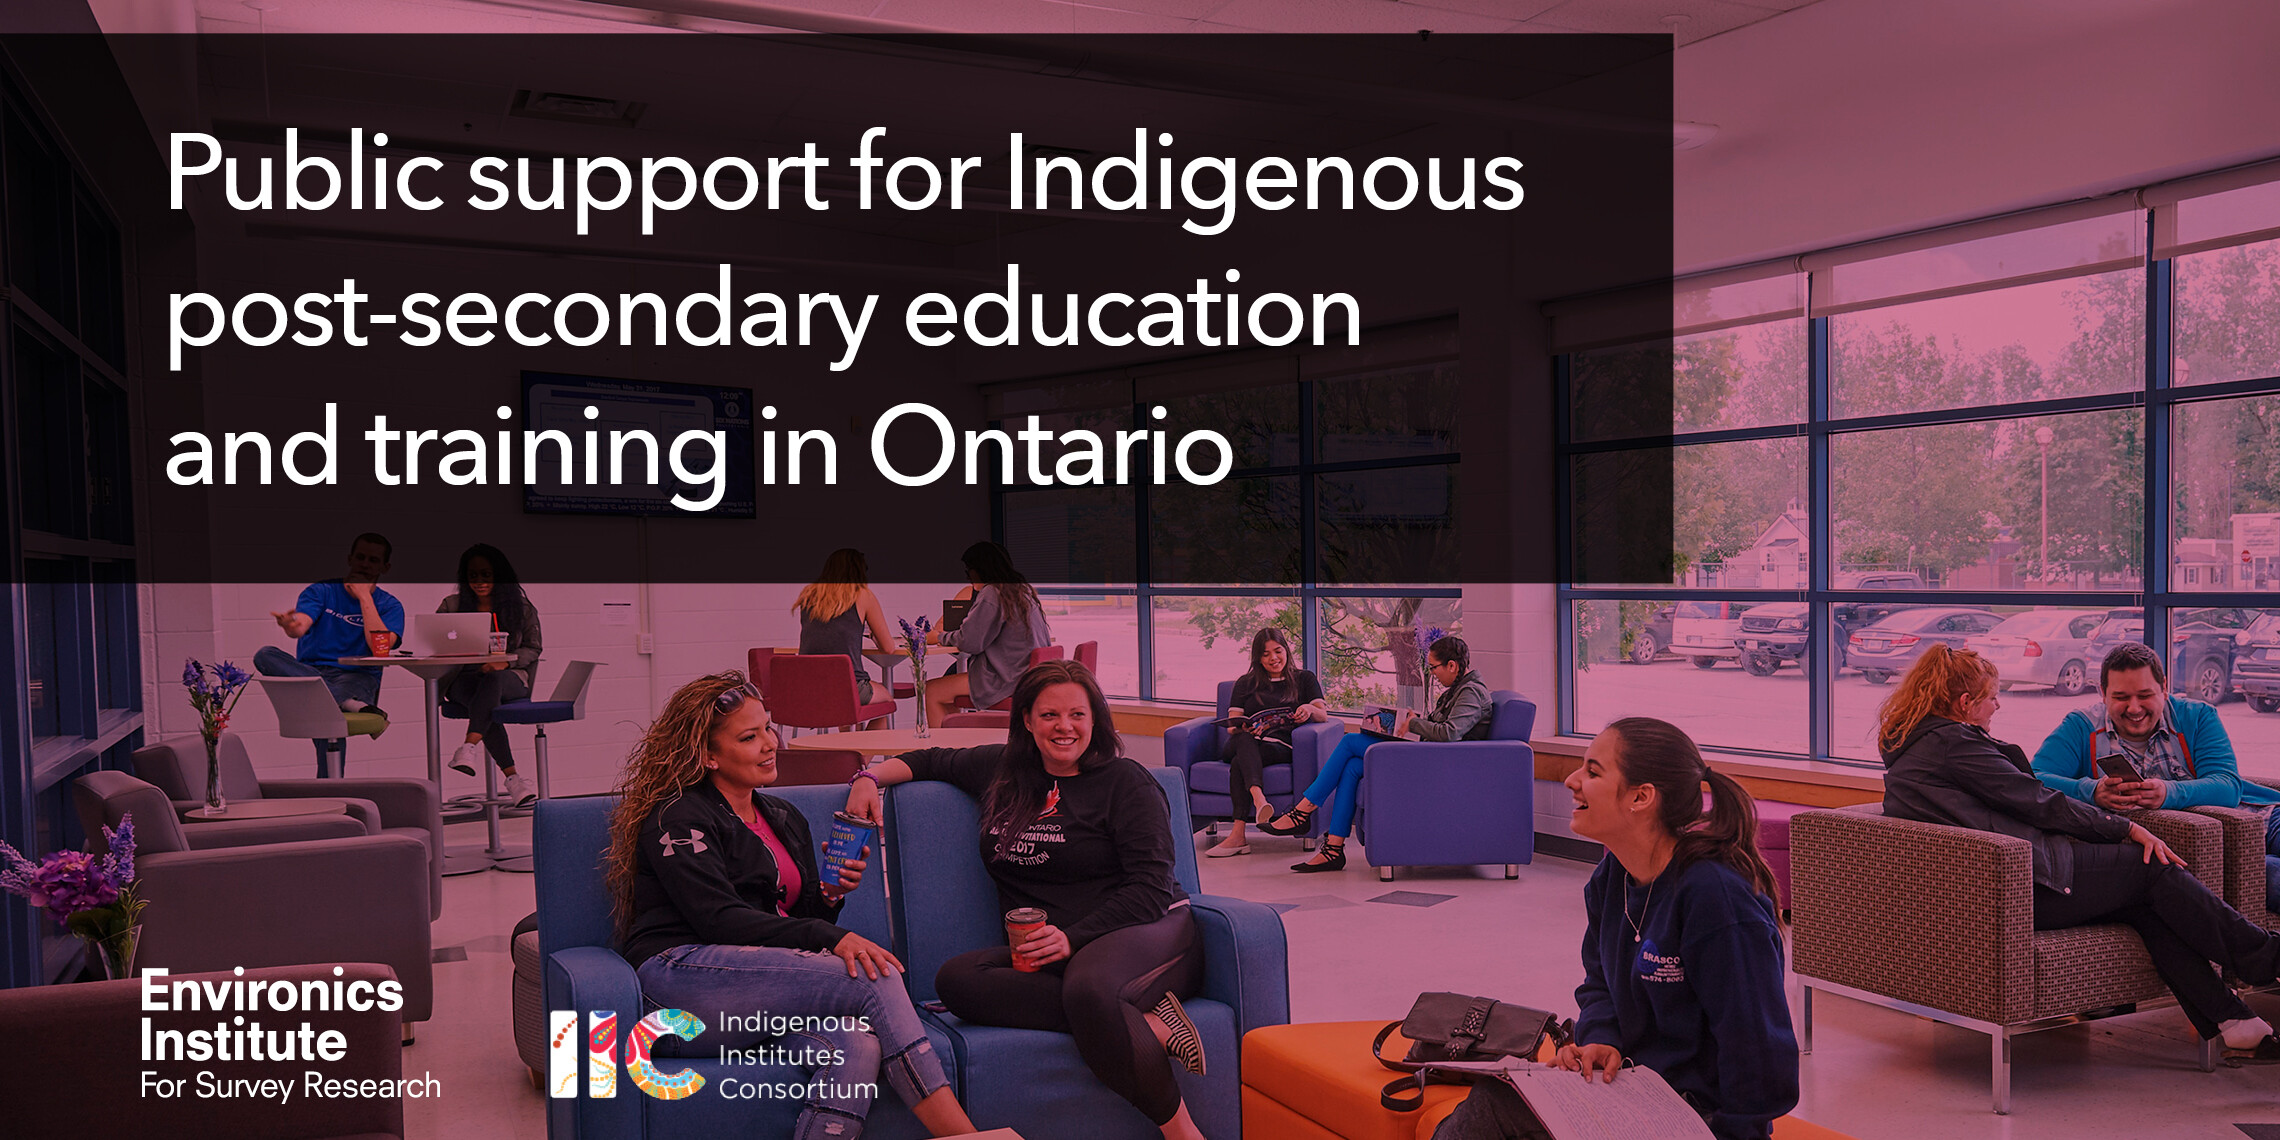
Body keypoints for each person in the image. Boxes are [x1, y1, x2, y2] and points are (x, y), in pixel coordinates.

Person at [844, 660, 1210, 1140]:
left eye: (1077, 714)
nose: (1065, 727)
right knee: (957, 980)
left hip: (1144, 929)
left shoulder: (1125, 782)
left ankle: (1183, 1131)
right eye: (1049, 715)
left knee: (1088, 989)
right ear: (1027, 721)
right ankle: (1149, 1024)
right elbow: (928, 759)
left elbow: (1151, 887)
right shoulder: (1002, 771)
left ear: (1095, 719)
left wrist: (1072, 938)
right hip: (1050, 949)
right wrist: (867, 778)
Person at [609, 672, 978, 1140]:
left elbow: (798, 925)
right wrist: (832, 937)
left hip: (757, 989)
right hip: (678, 983)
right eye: (749, 736)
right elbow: (718, 919)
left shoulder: (783, 817)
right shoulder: (679, 815)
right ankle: (962, 1136)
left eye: (768, 727)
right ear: (709, 755)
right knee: (872, 974)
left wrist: (829, 896)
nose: (769, 744)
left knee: (854, 1046)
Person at [1880, 644, 2280, 1062]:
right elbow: (2037, 798)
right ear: (1965, 703)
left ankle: (2235, 1023)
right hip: (2022, 886)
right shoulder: (1953, 744)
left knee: (2145, 907)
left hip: (1992, 888)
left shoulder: (1916, 746)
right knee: (2152, 869)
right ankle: (2262, 955)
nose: (1997, 706)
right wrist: (2124, 827)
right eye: (1992, 697)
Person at [1432, 716, 1798, 1140]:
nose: (1572, 780)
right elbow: (1600, 984)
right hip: (1630, 1090)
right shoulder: (1612, 877)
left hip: (1700, 1119)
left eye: (1592, 771)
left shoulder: (1715, 896)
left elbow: (1758, 1048)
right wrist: (1604, 1040)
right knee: (1497, 1097)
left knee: (1493, 1112)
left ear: (1641, 797)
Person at [2032, 641, 2280, 908]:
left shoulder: (2197, 717)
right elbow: (2033, 780)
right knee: (2269, 874)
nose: (2135, 708)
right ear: (2102, 693)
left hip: (2264, 816)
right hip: (2208, 849)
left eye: (2144, 695)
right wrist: (2091, 792)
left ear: (2163, 687)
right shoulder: (2080, 726)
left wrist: (2168, 792)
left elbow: (2228, 787)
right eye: (2121, 697)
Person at [1260, 634, 1493, 873]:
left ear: (1452, 665)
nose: (1432, 673)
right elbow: (1439, 728)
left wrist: (1412, 724)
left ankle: (1303, 811)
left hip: (1436, 764)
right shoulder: (1457, 690)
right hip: (1427, 754)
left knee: (1350, 742)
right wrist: (1406, 722)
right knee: (1351, 767)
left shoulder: (1471, 692)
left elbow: (1449, 734)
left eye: (1434, 667)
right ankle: (1333, 850)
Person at [256, 532, 404, 749]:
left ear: (385, 567)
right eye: (360, 557)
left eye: (373, 561)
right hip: (310, 675)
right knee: (265, 655)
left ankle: (343, 701)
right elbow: (300, 625)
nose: (364, 564)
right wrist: (291, 625)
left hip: (357, 677)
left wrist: (364, 597)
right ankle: (347, 703)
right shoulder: (321, 591)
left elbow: (379, 649)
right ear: (349, 559)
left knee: (328, 725)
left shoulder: (390, 605)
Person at [1205, 627, 1330, 858]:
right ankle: (1259, 799)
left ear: (1286, 650)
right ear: (1258, 658)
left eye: (1277, 651)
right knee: (1243, 739)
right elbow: (1232, 725)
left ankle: (1238, 835)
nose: (1273, 658)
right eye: (1265, 654)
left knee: (1238, 764)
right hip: (1245, 740)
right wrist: (1242, 727)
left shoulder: (1304, 678)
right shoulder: (1245, 683)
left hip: (1279, 746)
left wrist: (1309, 709)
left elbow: (1324, 716)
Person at [439, 544, 543, 806]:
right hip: (464, 678)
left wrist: (506, 663)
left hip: (510, 676)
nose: (480, 582)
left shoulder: (521, 607)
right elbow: (435, 642)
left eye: (486, 574)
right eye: (473, 576)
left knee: (491, 684)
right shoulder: (452, 606)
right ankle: (514, 779)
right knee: (485, 705)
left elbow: (534, 647)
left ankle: (469, 745)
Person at [925, 541, 1050, 725]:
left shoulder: (993, 592)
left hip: (1008, 679)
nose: (968, 577)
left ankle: (941, 753)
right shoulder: (1022, 591)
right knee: (946, 690)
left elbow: (970, 642)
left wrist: (938, 637)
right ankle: (954, 750)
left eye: (968, 571)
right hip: (1028, 675)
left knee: (932, 690)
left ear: (980, 569)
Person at [795, 548, 898, 725]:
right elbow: (889, 648)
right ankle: (861, 754)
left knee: (845, 705)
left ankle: (850, 749)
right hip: (847, 687)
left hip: (810, 686)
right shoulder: (862, 594)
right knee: (887, 699)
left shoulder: (809, 595)